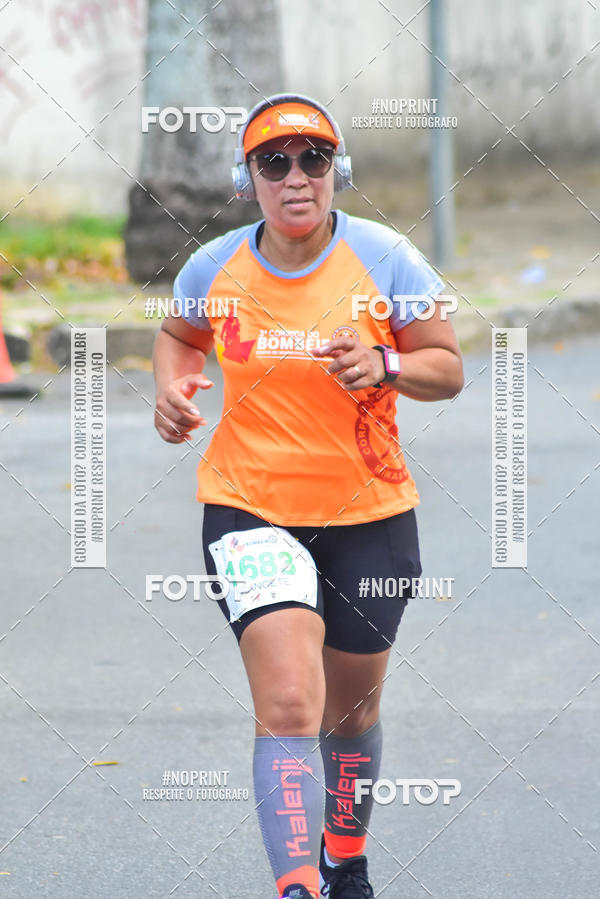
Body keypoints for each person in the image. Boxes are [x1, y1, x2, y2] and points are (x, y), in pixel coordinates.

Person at [153, 93, 464, 899]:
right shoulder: (213, 264)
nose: (297, 177)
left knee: (348, 715)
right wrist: (174, 390)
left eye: (314, 158)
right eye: (275, 161)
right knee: (292, 702)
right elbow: (181, 334)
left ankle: (345, 853)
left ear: (338, 171)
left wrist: (386, 364)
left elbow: (447, 367)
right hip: (248, 506)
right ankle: (299, 886)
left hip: (370, 515)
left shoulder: (388, 258)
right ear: (247, 177)